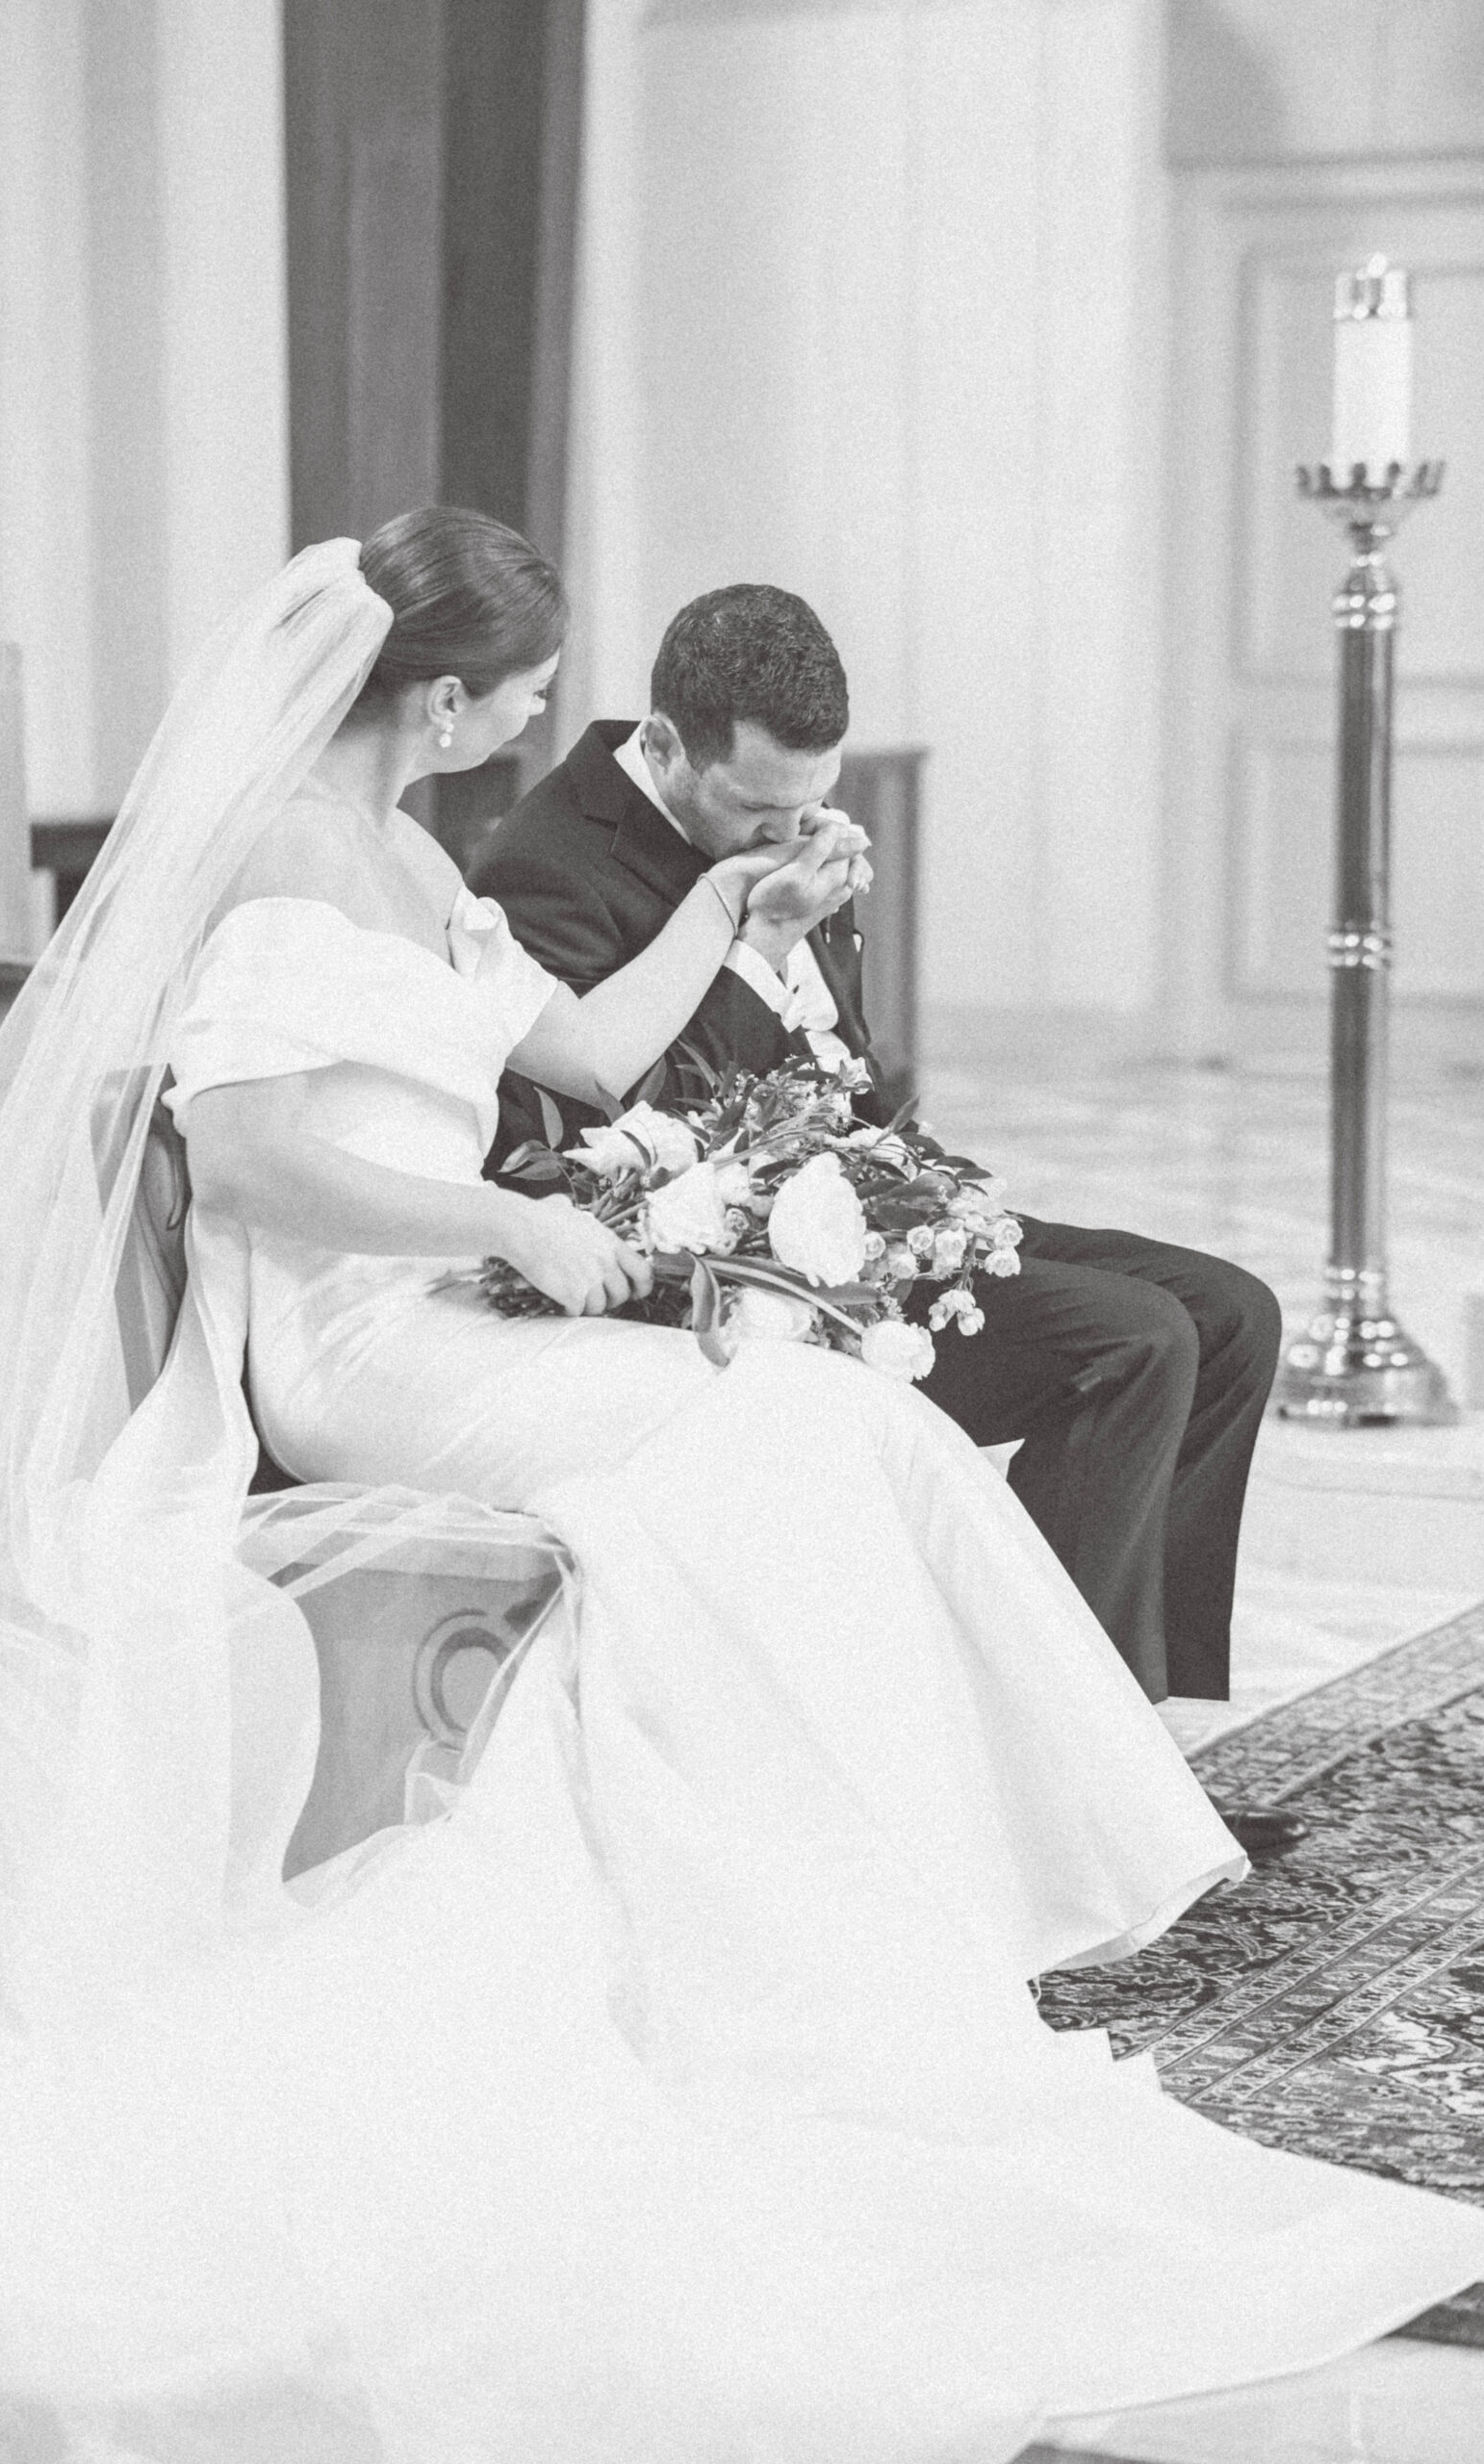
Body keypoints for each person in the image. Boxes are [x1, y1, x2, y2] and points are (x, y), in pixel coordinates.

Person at [0, 511, 1484, 2464]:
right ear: (450, 695)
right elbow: (245, 1174)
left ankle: (947, 1891)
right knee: (758, 1449)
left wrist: (736, 906)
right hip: (361, 1351)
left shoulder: (409, 849)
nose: (563, 707)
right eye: (537, 680)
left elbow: (575, 1041)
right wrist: (500, 1216)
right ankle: (774, 1953)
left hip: (458, 1304)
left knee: (849, 1424)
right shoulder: (289, 857)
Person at [473, 585, 1295, 1847]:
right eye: (759, 807)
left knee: (1231, 1312)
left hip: (854, 1209)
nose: (791, 828)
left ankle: (1123, 1724)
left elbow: (851, 1077)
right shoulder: (549, 857)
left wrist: (927, 1189)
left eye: (808, 801)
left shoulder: (778, 821)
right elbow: (629, 1127)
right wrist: (763, 948)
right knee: (1130, 1341)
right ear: (670, 745)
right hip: (716, 1262)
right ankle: (1041, 1770)